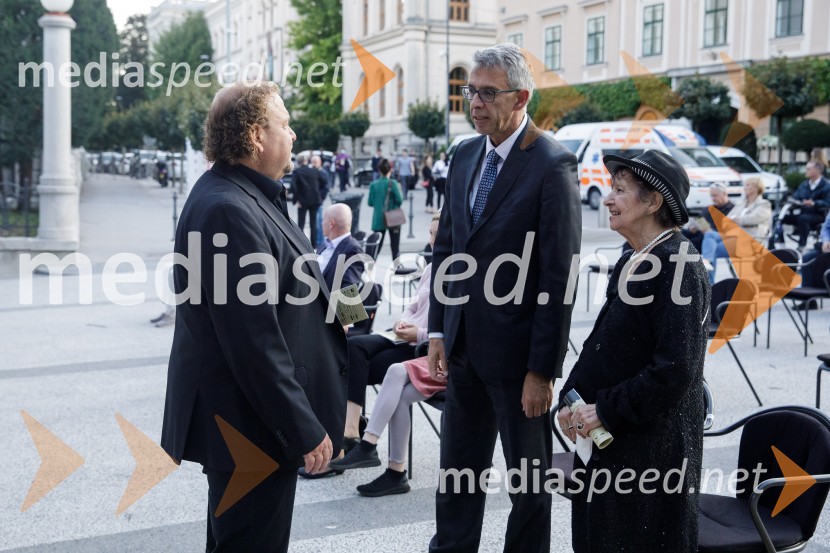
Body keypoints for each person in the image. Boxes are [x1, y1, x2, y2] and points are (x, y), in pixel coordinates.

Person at [160, 82, 348, 553]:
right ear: (254, 136)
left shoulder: (244, 193)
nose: (294, 134)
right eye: (284, 124)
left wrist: (341, 313)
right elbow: (253, 342)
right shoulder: (228, 207)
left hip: (248, 425)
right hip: (250, 431)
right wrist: (303, 426)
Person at [427, 44, 581, 553]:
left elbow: (558, 278)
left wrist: (542, 371)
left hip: (520, 365)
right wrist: (436, 330)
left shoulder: (552, 163)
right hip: (464, 352)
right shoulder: (464, 154)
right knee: (457, 475)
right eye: (472, 90)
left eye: (488, 93)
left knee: (529, 486)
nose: (475, 102)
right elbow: (447, 248)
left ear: (521, 98)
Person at [556, 150, 709, 553]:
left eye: (620, 190)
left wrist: (605, 409)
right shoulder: (633, 259)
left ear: (654, 201)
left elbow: (675, 369)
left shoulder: (680, 263)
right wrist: (571, 396)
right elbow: (604, 345)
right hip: (611, 443)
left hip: (651, 453)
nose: (608, 198)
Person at [338, 215, 439, 459]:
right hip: (400, 335)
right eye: (431, 234)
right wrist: (403, 320)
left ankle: (346, 435)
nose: (431, 241)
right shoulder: (431, 267)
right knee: (348, 353)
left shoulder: (348, 248)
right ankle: (347, 431)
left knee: (345, 360)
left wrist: (345, 319)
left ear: (332, 224)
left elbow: (346, 284)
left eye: (435, 235)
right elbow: (413, 306)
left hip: (420, 346)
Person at [328, 356, 445, 497]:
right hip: (441, 357)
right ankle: (396, 473)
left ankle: (367, 445)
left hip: (458, 362)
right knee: (402, 395)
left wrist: (420, 333)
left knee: (396, 370)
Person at [701, 177, 772, 283]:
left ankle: (708, 271)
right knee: (710, 235)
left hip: (750, 241)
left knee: (712, 249)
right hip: (734, 238)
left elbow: (754, 218)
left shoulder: (764, 204)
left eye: (748, 185)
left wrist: (739, 220)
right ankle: (709, 281)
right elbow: (727, 220)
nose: (745, 187)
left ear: (756, 188)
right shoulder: (742, 203)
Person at [776, 161, 830, 250]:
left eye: (808, 169)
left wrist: (814, 203)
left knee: (803, 219)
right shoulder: (804, 184)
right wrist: (794, 202)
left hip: (818, 215)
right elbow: (796, 196)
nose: (806, 171)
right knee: (778, 217)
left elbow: (828, 202)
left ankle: (801, 246)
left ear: (817, 171)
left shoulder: (826, 186)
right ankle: (780, 244)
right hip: (803, 212)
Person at [317, 203, 365, 292]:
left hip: (325, 303)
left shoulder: (353, 250)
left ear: (331, 224)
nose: (322, 223)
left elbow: (347, 294)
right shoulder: (325, 245)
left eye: (323, 220)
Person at [367, 158, 404, 262]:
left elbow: (370, 202)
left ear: (379, 170)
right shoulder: (393, 183)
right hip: (393, 218)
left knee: (376, 246)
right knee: (395, 245)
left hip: (378, 219)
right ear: (390, 170)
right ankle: (396, 266)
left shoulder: (373, 185)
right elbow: (400, 200)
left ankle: (370, 268)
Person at [680, 183, 733, 253]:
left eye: (715, 196)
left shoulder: (732, 209)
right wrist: (692, 227)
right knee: (680, 233)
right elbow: (697, 220)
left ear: (724, 194)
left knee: (696, 241)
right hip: (699, 233)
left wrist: (708, 230)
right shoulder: (708, 209)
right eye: (711, 196)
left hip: (715, 236)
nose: (713, 199)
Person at [291, 153, 327, 247]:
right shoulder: (314, 171)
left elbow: (293, 186)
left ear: (298, 163)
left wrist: (296, 199)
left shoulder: (297, 171)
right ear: (306, 161)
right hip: (314, 200)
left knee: (301, 223)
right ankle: (314, 245)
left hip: (302, 201)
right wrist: (318, 193)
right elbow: (324, 182)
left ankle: (300, 244)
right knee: (313, 223)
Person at [311, 154, 331, 249]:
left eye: (315, 162)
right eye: (312, 162)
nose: (313, 164)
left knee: (318, 222)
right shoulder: (312, 172)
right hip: (312, 201)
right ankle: (316, 242)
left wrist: (320, 198)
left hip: (318, 201)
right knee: (315, 222)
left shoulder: (323, 173)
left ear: (320, 163)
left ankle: (320, 243)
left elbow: (326, 187)